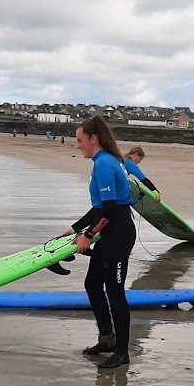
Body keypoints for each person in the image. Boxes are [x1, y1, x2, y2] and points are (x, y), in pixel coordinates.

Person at [60, 114, 136, 369]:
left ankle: (122, 351)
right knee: (93, 284)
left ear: (93, 139)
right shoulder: (102, 161)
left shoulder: (104, 164)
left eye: (80, 140)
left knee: (115, 293)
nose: (78, 145)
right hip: (110, 229)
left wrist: (88, 236)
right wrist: (75, 228)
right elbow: (99, 209)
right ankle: (106, 340)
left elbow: (111, 211)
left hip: (118, 232)